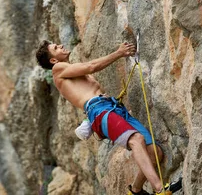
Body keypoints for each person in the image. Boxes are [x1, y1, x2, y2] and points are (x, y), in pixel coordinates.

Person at [35, 40, 180, 195]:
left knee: (155, 153)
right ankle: (159, 190)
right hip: (99, 112)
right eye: (56, 48)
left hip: (111, 107)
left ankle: (136, 191)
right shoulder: (58, 69)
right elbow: (92, 66)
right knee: (136, 139)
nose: (60, 45)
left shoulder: (71, 70)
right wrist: (119, 52)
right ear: (53, 60)